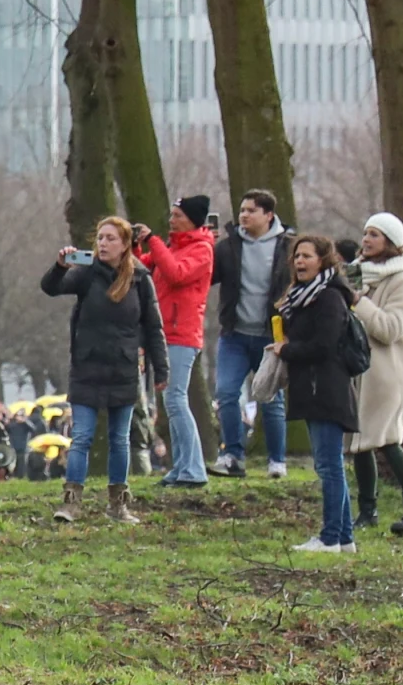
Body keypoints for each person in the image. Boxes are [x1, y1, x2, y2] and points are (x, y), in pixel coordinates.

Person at [40, 219, 161, 524]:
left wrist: (161, 370)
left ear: (125, 244)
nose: (103, 244)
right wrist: (60, 266)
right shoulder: (86, 274)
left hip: (123, 369)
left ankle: (118, 504)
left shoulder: (141, 279)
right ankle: (71, 502)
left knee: (120, 439)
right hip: (87, 367)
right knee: (81, 437)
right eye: (100, 238)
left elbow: (153, 327)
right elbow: (51, 288)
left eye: (110, 239)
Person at [271, 236, 364, 553]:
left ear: (324, 261)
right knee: (330, 463)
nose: (299, 261)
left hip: (327, 389)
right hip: (311, 389)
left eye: (307, 256)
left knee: (328, 466)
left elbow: (324, 345)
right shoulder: (300, 297)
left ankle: (330, 538)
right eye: (297, 256)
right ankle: (345, 538)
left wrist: (287, 350)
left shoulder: (328, 298)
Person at [344, 213, 403, 531]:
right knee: (361, 439)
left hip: (391, 372)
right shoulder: (359, 275)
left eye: (375, 235)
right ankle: (367, 513)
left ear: (391, 243)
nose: (366, 240)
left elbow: (391, 329)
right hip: (362, 370)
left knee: (385, 438)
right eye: (365, 233)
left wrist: (358, 302)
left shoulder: (402, 280)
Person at [210, 191, 292, 478]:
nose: (244, 215)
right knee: (227, 393)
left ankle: (277, 461)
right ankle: (233, 455)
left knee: (270, 398)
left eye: (251, 211)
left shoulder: (288, 246)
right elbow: (206, 278)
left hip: (271, 336)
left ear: (269, 215)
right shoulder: (228, 246)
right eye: (242, 210)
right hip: (235, 334)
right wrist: (204, 248)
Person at [146, 197, 217, 488]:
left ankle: (194, 469)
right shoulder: (173, 246)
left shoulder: (201, 249)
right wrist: (139, 244)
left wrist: (153, 241)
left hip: (182, 334)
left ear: (192, 219)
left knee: (175, 398)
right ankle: (181, 467)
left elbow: (176, 274)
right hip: (165, 333)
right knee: (170, 401)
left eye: (177, 216)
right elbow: (145, 265)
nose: (171, 220)